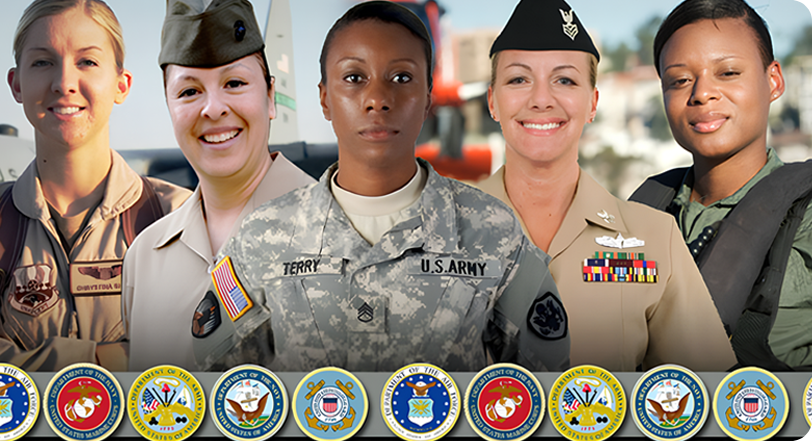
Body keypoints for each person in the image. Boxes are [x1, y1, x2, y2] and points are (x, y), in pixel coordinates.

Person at [191, 0, 569, 373]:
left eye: (402, 78)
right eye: (354, 78)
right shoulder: (262, 236)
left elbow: (546, 377)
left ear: (427, 99)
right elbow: (219, 382)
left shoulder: (492, 231)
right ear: (324, 99)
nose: (377, 99)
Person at [477, 0, 735, 371]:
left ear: (592, 103)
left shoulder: (654, 238)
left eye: (564, 80)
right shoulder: (434, 231)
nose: (541, 99)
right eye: (518, 79)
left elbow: (708, 395)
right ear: (492, 101)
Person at [0, 0, 190, 372]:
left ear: (122, 85)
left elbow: (216, 355)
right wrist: (108, 360)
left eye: (87, 62)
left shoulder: (181, 219)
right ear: (16, 84)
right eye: (42, 62)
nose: (63, 83)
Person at [121, 0, 315, 372]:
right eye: (189, 92)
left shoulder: (346, 235)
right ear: (169, 107)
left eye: (235, 83)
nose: (213, 108)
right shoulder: (144, 258)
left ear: (271, 97)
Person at [629, 0, 812, 370]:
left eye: (727, 73)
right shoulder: (637, 215)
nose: (701, 93)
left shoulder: (805, 216)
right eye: (679, 80)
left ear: (773, 81)